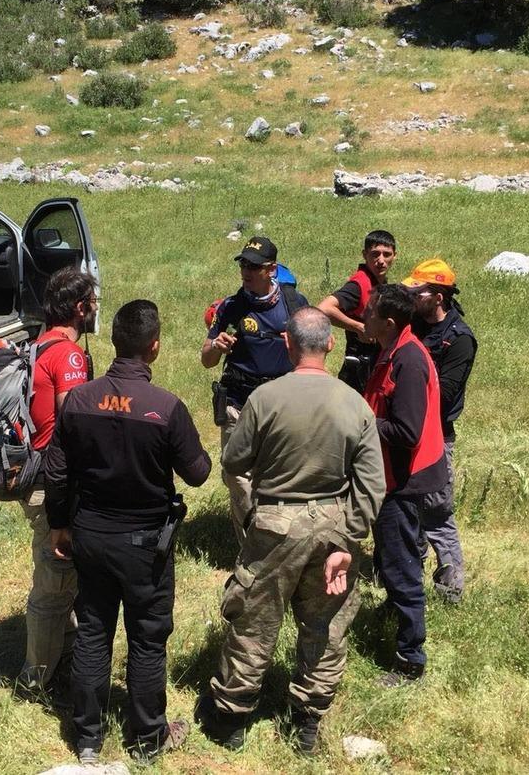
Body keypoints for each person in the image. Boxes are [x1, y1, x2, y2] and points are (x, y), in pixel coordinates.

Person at [198, 308, 385, 755]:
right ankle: (306, 722)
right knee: (326, 625)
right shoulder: (355, 403)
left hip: (274, 526)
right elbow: (372, 482)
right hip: (334, 528)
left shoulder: (265, 398)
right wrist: (348, 537)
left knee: (255, 622)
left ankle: (232, 718)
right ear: (332, 345)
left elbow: (233, 462)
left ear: (287, 344)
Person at [44, 300, 212, 763]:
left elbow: (56, 472)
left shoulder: (78, 401)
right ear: (154, 347)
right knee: (147, 637)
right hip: (144, 546)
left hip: (90, 536)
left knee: (94, 631)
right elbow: (197, 473)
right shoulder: (167, 407)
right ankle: (146, 738)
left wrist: (59, 524)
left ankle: (87, 738)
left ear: (116, 342)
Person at [362, 284, 449, 686]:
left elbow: (407, 431)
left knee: (402, 568)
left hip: (404, 482)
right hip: (390, 478)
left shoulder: (409, 361)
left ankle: (409, 659)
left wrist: (360, 421)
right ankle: (397, 616)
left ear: (389, 322)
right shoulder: (392, 350)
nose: (363, 316)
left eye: (370, 312)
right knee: (392, 558)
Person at [17, 266, 99, 694]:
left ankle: (59, 659)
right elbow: (74, 419)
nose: (95, 311)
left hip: (38, 471)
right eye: (92, 303)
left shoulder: (38, 344)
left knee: (61, 577)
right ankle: (38, 680)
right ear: (79, 307)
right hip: (55, 479)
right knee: (54, 581)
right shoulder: (67, 354)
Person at [201, 236, 307, 541]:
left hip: (281, 403)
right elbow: (207, 360)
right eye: (244, 264)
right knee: (235, 473)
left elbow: (314, 351)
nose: (247, 271)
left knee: (280, 472)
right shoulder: (231, 308)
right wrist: (217, 348)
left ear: (271, 269)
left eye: (255, 266)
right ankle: (250, 545)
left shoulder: (294, 304)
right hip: (238, 401)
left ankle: (281, 538)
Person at [404, 259, 477, 605]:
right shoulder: (413, 324)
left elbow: (445, 394)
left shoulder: (460, 340)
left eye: (418, 291)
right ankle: (408, 577)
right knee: (408, 507)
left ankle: (450, 589)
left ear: (439, 296)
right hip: (405, 431)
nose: (412, 296)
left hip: (435, 436)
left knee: (436, 510)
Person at [317, 230, 397, 394]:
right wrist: (357, 327)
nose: (381, 260)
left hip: (372, 363)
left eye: (387, 254)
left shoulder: (378, 281)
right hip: (359, 368)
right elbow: (324, 309)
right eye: (375, 254)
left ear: (395, 256)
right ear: (364, 255)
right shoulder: (359, 285)